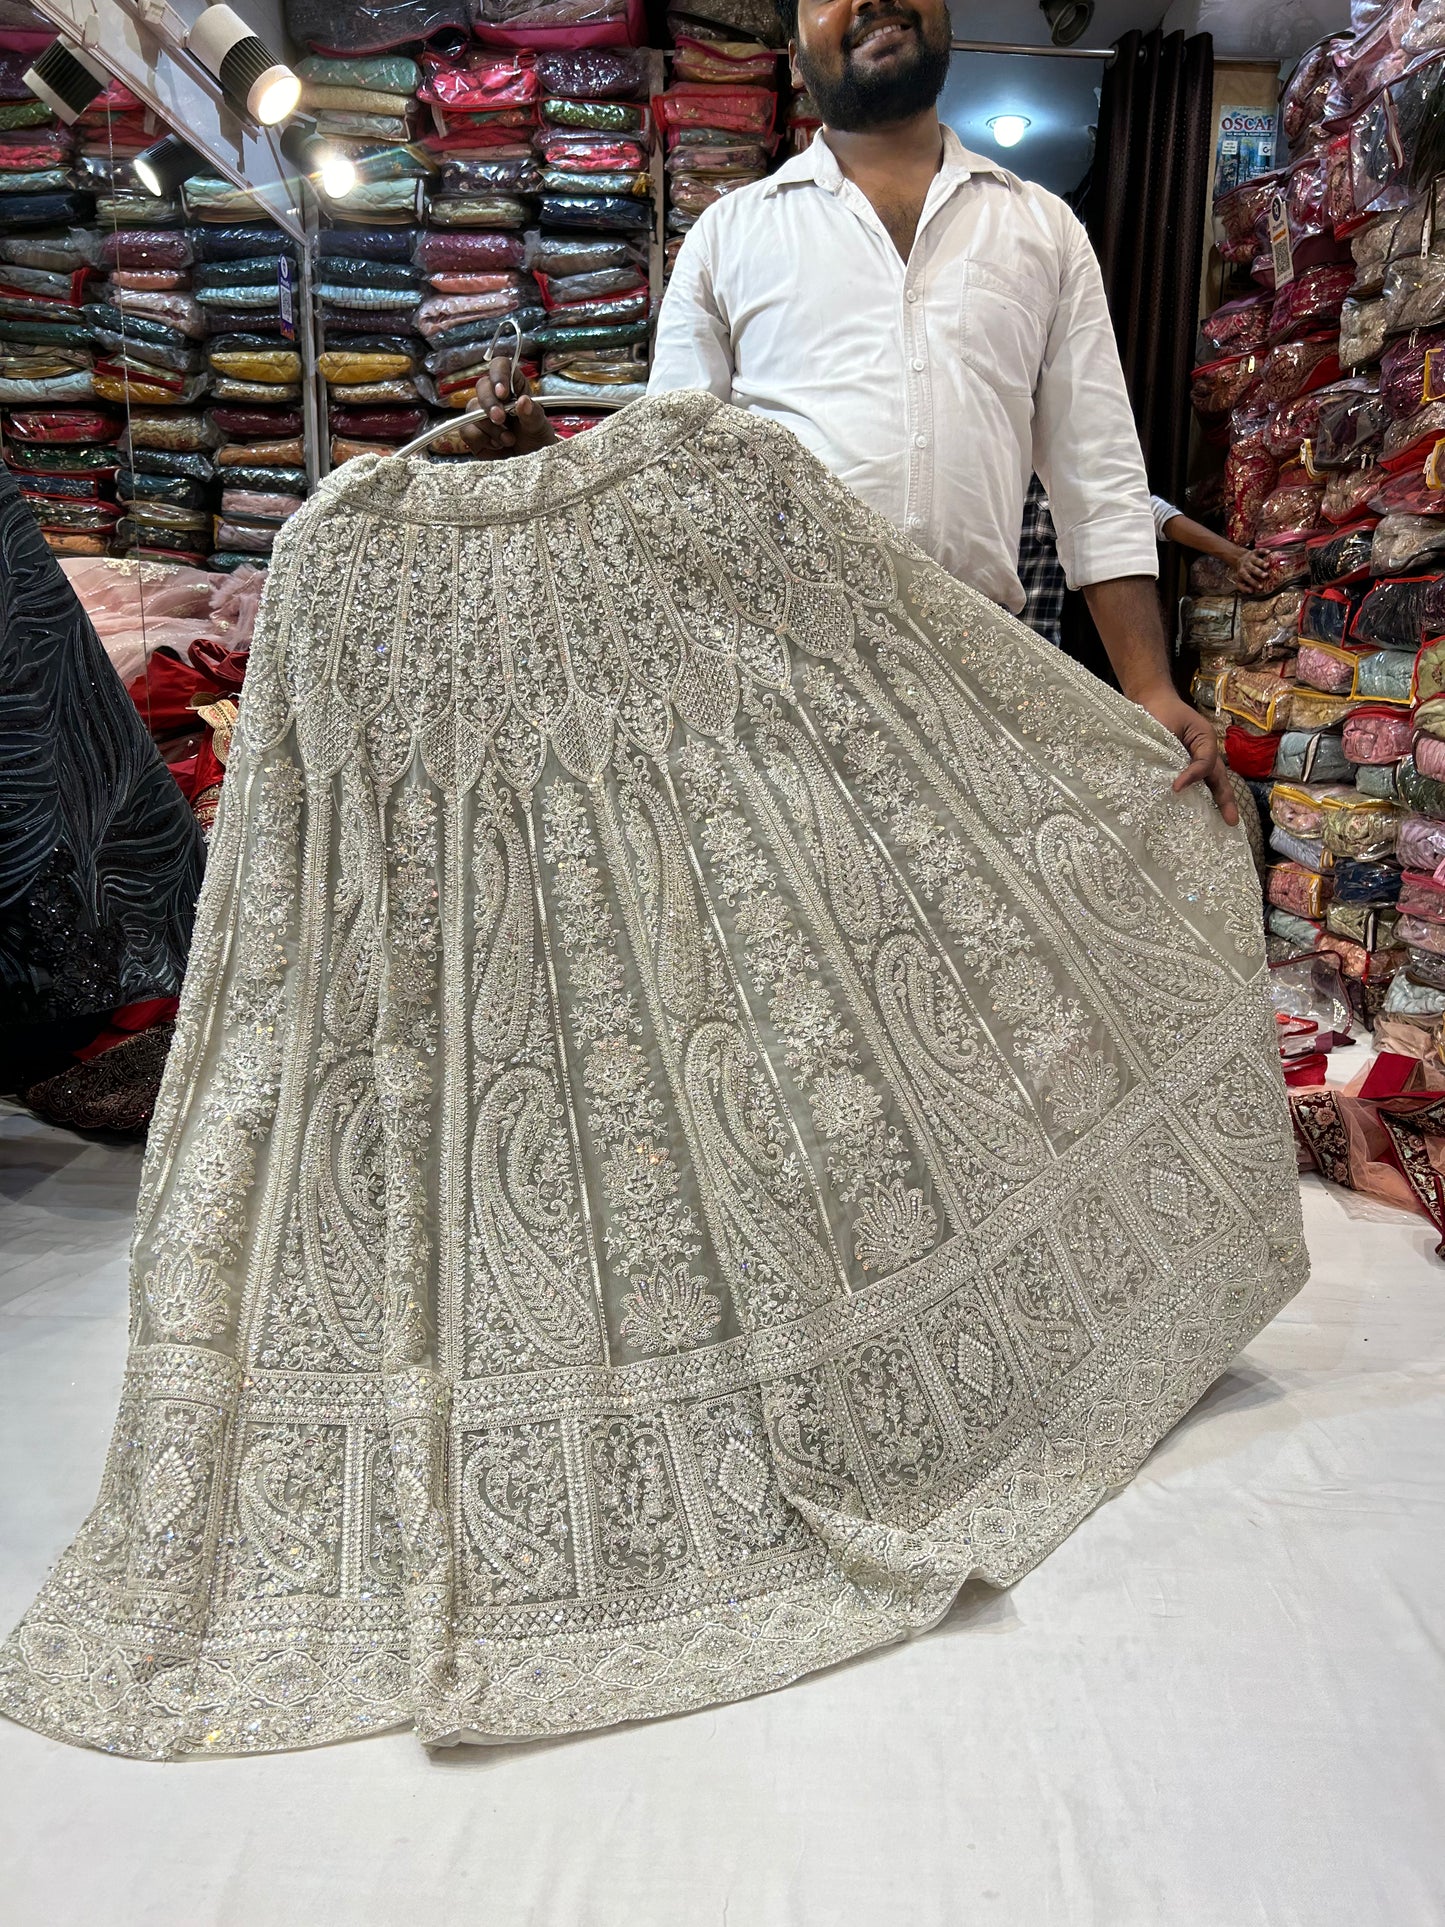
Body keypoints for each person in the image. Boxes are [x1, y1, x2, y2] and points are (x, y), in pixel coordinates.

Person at [465, 0, 1236, 825]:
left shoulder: (1042, 229)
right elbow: (671, 482)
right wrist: (549, 460)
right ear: (795, 57)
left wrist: (1149, 689)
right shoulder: (728, 238)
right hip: (777, 712)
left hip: (977, 700)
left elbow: (1098, 474)